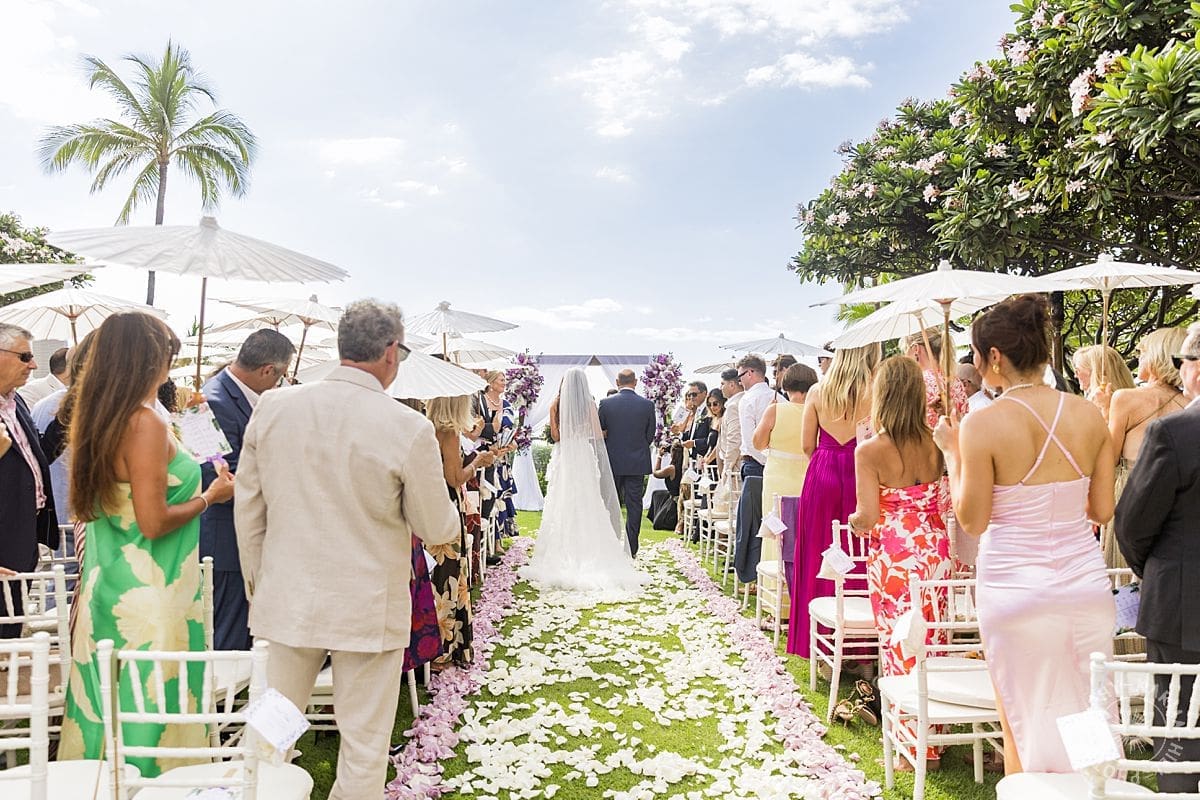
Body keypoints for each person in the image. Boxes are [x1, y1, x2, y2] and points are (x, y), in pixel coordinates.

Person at [235, 300, 459, 799]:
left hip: (286, 597)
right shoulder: (407, 426)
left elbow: (249, 509)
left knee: (270, 735)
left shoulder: (274, 407)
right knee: (363, 743)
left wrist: (259, 583)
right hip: (368, 607)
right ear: (390, 352)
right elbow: (436, 525)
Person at [934, 294, 1115, 775]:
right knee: (1088, 705)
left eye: (976, 354)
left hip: (1015, 587)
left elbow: (973, 520)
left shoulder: (981, 424)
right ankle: (1091, 787)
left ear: (995, 357)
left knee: (1021, 716)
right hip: (1085, 586)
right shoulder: (1090, 414)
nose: (974, 364)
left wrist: (952, 455)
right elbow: (1102, 510)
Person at [60, 312, 235, 774]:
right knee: (147, 714)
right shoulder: (143, 425)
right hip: (152, 591)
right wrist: (210, 497)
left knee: (112, 708)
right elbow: (153, 522)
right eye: (167, 355)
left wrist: (193, 420)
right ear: (146, 359)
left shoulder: (104, 417)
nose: (170, 366)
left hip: (111, 586)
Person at [849, 356, 951, 769]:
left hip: (894, 554)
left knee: (899, 643)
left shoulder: (870, 450)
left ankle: (911, 750)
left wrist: (854, 522)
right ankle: (934, 738)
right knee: (932, 641)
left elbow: (868, 516)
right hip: (935, 549)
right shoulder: (938, 442)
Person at [1114, 321, 1200, 793]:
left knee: (1179, 731)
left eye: (1183, 362)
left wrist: (1156, 571)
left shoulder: (1175, 432)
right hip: (1180, 599)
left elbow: (1132, 523)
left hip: (1182, 605)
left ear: (1196, 370)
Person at [200, 329, 295, 651]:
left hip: (247, 537)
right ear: (268, 370)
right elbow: (218, 476)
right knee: (229, 639)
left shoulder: (239, 397)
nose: (280, 383)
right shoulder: (212, 401)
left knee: (246, 637)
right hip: (226, 539)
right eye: (281, 376)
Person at [786, 342, 880, 658]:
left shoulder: (817, 391)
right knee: (860, 550)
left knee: (817, 549)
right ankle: (861, 644)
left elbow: (806, 445)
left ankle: (816, 638)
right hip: (860, 471)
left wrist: (826, 459)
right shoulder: (876, 391)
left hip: (822, 470)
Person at [522, 368, 647, 590]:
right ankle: (593, 548)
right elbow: (598, 435)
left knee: (563, 499)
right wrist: (586, 431)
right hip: (583, 454)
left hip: (565, 454)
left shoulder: (555, 405)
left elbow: (555, 436)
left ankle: (563, 548)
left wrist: (568, 431)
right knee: (588, 498)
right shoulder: (589, 405)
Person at [1103, 327, 1188, 570]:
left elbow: (1108, 458)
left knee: (1125, 577)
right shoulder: (1190, 403)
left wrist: (1103, 411)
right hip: (1178, 499)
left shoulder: (1124, 398)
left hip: (1133, 491)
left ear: (1157, 356)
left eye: (1143, 352)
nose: (1139, 357)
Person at [0, 323, 59, 636]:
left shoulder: (16, 401)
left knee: (11, 629)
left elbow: (39, 456)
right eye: (24, 356)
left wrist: (66, 418)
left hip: (22, 534)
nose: (33, 365)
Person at [427, 393, 494, 664]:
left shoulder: (425, 428)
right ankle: (444, 648)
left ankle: (430, 646)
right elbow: (454, 477)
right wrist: (477, 462)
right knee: (450, 574)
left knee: (434, 575)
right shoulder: (450, 433)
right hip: (447, 505)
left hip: (428, 503)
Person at [753, 363, 817, 605]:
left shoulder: (775, 410)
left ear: (786, 384)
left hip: (778, 475)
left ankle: (775, 596)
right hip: (806, 475)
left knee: (775, 531)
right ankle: (800, 593)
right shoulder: (816, 411)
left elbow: (758, 443)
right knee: (803, 533)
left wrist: (769, 417)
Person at [597, 369, 657, 557]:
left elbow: (600, 433)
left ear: (617, 382)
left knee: (611, 504)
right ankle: (631, 548)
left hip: (612, 463)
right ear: (636, 382)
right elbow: (650, 435)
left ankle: (611, 543)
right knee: (634, 506)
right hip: (637, 463)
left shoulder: (605, 404)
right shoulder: (647, 405)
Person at [734, 354, 774, 587]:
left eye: (740, 376)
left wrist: (766, 462)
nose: (739, 381)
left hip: (755, 464)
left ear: (750, 373)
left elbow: (750, 442)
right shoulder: (778, 397)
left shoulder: (748, 399)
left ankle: (750, 575)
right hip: (775, 465)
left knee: (751, 524)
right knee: (771, 523)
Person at [904, 328, 968, 428]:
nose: (905, 356)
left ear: (916, 349)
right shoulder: (955, 381)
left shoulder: (917, 383)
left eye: (906, 350)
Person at [1072, 344, 1134, 412]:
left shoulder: (1096, 407)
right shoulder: (1134, 400)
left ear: (1095, 372)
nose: (1075, 375)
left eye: (1077, 371)